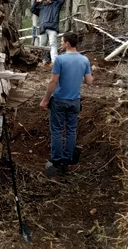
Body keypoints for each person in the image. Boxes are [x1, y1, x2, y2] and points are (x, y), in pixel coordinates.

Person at [40, 31, 93, 177]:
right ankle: (67, 161)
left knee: (56, 131)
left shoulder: (60, 60)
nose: (62, 44)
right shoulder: (84, 60)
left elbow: (53, 81)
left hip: (59, 100)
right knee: (71, 131)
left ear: (67, 43)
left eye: (63, 41)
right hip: (75, 101)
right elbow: (89, 81)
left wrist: (45, 99)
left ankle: (56, 162)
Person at [30, 0, 66, 64]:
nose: (46, 0)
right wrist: (36, 2)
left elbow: (62, 0)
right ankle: (43, 61)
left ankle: (54, 62)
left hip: (52, 28)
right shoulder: (41, 9)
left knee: (53, 44)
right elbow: (32, 10)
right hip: (43, 29)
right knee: (42, 46)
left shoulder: (56, 6)